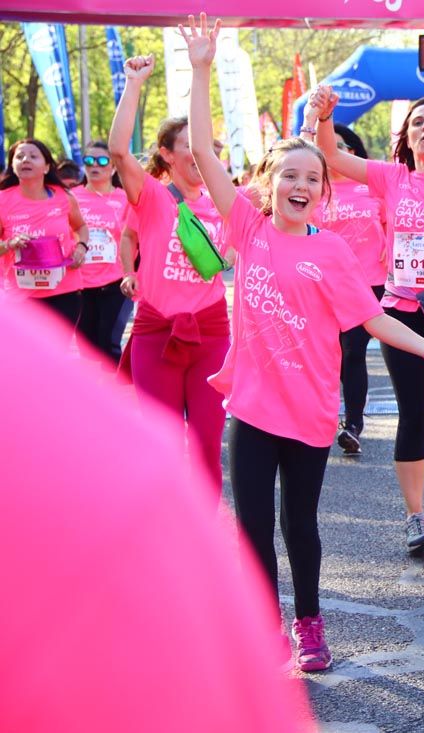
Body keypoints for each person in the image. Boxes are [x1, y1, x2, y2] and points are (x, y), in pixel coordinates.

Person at [183, 14, 424, 674]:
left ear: (324, 192)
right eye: (290, 176)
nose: (301, 186)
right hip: (250, 407)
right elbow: (204, 154)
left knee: (298, 526)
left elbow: (378, 322)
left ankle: (308, 621)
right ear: (270, 184)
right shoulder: (248, 231)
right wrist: (198, 70)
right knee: (249, 531)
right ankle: (262, 624)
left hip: (308, 412)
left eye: (313, 179)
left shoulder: (331, 250)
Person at [0, 294, 318, 733]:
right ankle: (262, 622)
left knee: (207, 455)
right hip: (154, 328)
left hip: (213, 333)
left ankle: (284, 608)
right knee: (184, 461)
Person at [312, 88, 424, 556]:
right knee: (413, 413)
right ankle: (414, 516)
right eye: (417, 122)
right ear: (405, 136)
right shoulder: (392, 178)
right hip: (401, 310)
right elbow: (329, 155)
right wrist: (327, 116)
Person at [109, 54, 231, 492]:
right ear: (167, 153)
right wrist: (134, 84)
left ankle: (203, 547)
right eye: (193, 145)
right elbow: (119, 151)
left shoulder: (227, 199)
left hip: (211, 334)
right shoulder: (155, 198)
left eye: (211, 145)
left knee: (205, 445)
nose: (205, 152)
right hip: (156, 332)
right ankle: (161, 539)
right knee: (158, 445)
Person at [302, 122, 387, 456]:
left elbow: (392, 226)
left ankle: (353, 425)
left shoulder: (372, 189)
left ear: (352, 153)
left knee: (352, 352)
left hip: (367, 283)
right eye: (325, 148)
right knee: (323, 352)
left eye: (339, 147)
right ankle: (318, 417)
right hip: (319, 285)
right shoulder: (313, 192)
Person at [0, 139, 89, 328]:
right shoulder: (3, 200)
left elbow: (81, 227)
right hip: (21, 296)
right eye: (20, 156)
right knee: (23, 356)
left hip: (64, 292)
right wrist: (9, 244)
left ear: (47, 167)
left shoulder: (64, 196)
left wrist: (81, 248)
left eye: (33, 156)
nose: (26, 160)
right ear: (13, 166)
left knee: (57, 355)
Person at [73, 141, 130, 363]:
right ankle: (90, 394)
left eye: (102, 160)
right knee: (86, 345)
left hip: (116, 282)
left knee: (109, 341)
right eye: (89, 160)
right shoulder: (72, 198)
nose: (94, 165)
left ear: (114, 167)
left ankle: (112, 393)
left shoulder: (125, 198)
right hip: (80, 283)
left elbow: (136, 238)